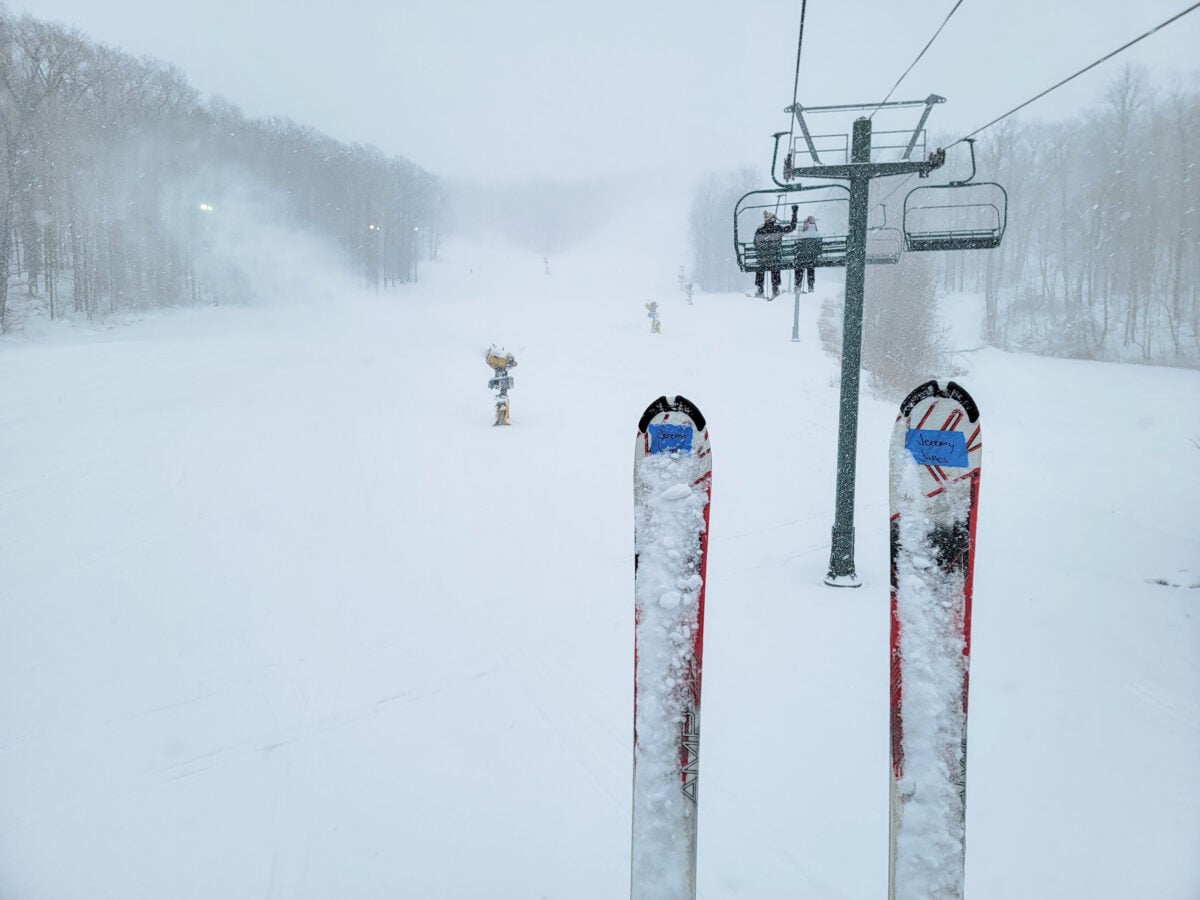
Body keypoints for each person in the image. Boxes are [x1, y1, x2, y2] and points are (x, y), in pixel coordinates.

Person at [753, 205, 798, 298]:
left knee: (761, 267)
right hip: (775, 258)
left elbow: (755, 244)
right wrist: (794, 213)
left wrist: (763, 250)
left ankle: (760, 290)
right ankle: (775, 289)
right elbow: (792, 227)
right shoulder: (778, 229)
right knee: (775, 266)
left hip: (763, 259)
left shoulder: (759, 230)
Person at [794, 215, 821, 293]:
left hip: (801, 257)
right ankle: (810, 286)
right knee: (811, 268)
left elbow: (797, 244)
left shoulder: (802, 234)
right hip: (812, 257)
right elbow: (819, 247)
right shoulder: (817, 234)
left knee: (799, 268)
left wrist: (802, 229)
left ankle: (798, 285)